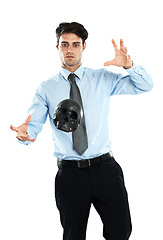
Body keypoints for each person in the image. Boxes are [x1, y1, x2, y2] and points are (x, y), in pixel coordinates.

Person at [10, 22, 153, 240]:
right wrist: (26, 133)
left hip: (105, 169)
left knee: (121, 231)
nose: (69, 50)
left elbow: (144, 86)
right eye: (64, 44)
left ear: (84, 47)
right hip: (70, 174)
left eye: (75, 45)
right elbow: (33, 123)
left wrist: (129, 66)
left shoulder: (102, 79)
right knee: (73, 235)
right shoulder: (46, 88)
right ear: (57, 46)